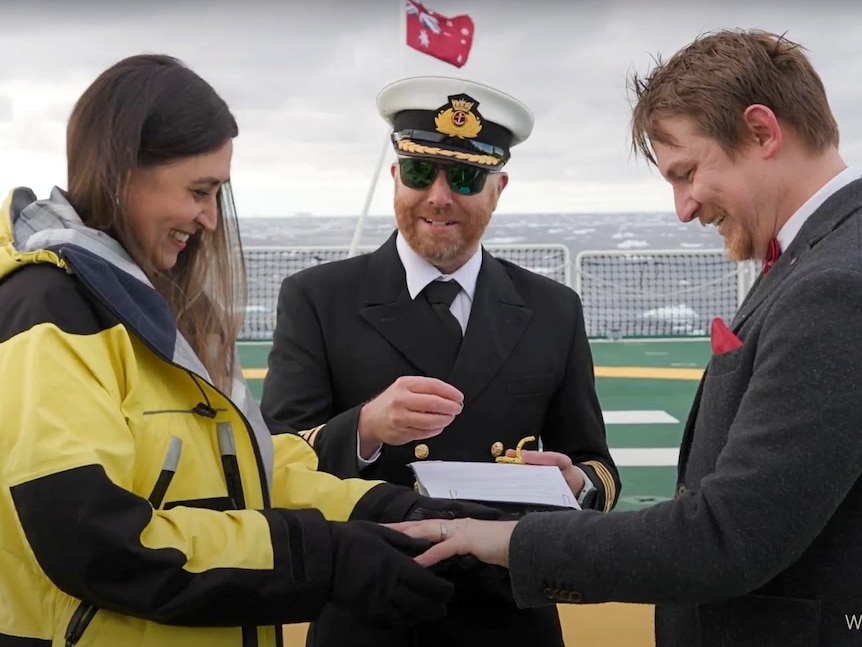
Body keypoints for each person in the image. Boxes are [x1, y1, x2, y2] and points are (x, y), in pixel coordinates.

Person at [0, 54, 500, 647]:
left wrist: (390, 511)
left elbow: (256, 472)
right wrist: (326, 558)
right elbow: (94, 540)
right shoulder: (49, 312)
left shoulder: (171, 315)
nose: (210, 219)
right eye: (199, 191)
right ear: (124, 169)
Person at [394, 29, 862, 647]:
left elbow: (727, 539)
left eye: (687, 172)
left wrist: (504, 539)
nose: (683, 208)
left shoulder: (833, 286)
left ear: (762, 132)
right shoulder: (823, 258)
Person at [260, 75, 620, 647]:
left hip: (507, 617)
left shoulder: (554, 309)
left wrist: (575, 483)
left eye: (467, 178)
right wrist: (366, 428)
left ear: (499, 188)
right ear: (396, 176)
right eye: (423, 173)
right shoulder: (317, 299)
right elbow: (276, 463)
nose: (439, 197)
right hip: (371, 612)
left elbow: (596, 466)